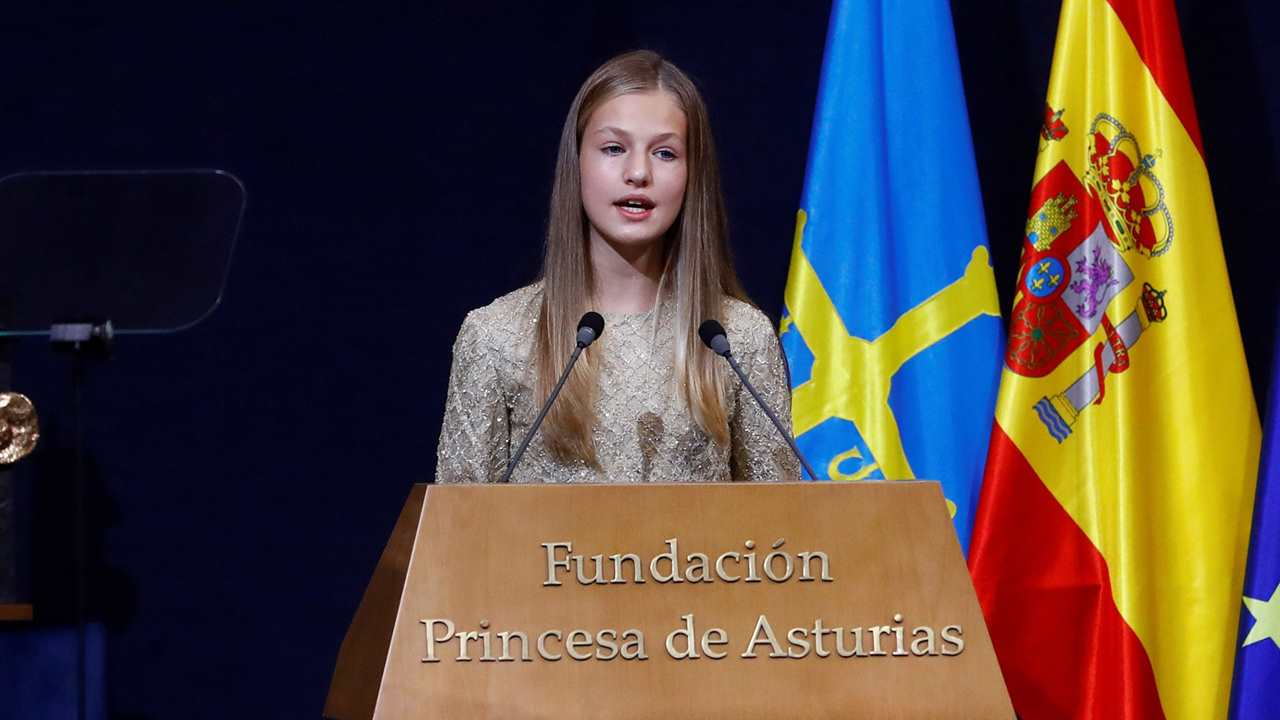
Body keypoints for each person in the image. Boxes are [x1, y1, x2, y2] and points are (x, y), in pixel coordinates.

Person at [435, 50, 799, 484]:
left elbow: (781, 536)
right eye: (613, 148)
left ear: (691, 175)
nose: (638, 172)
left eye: (665, 153)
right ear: (578, 164)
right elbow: (457, 534)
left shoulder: (738, 340)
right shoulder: (496, 337)